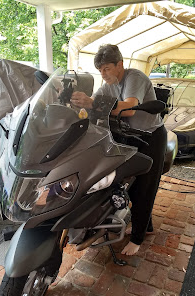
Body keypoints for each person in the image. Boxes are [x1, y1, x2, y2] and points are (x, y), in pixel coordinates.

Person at [70, 44, 167, 256]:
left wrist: (93, 102)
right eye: (100, 70)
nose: (103, 74)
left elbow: (129, 107)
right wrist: (77, 104)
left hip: (151, 137)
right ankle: (146, 226)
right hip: (128, 135)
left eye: (106, 68)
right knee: (131, 185)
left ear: (119, 65)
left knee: (145, 187)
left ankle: (138, 238)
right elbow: (95, 105)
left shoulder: (135, 77)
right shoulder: (108, 85)